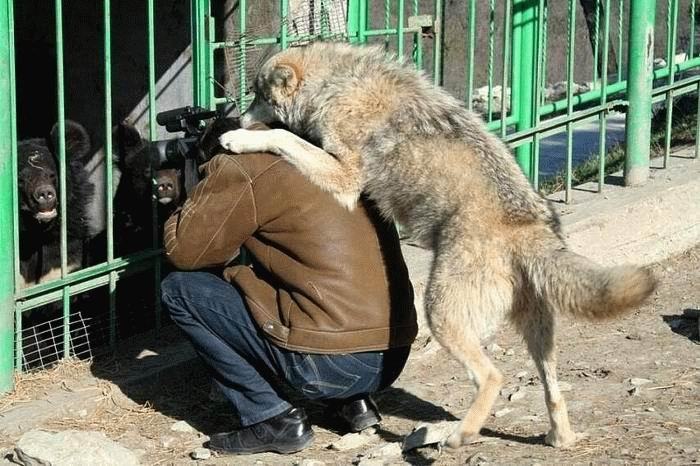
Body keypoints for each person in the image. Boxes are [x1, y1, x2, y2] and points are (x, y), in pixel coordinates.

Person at [160, 119, 417, 455]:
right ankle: (353, 405)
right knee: (303, 273)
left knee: (180, 290)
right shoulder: (324, 150)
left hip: (333, 366)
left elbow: (185, 253)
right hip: (392, 356)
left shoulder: (243, 162)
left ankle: (271, 419)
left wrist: (192, 195)